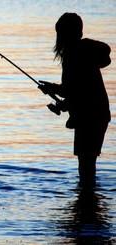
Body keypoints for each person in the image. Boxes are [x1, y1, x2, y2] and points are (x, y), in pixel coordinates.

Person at [39, 13, 111, 186]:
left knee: (86, 165)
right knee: (87, 164)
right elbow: (76, 90)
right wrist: (56, 93)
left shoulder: (77, 53)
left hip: (90, 118)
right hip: (96, 115)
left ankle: (86, 201)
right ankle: (88, 202)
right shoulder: (80, 52)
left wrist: (52, 89)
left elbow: (70, 89)